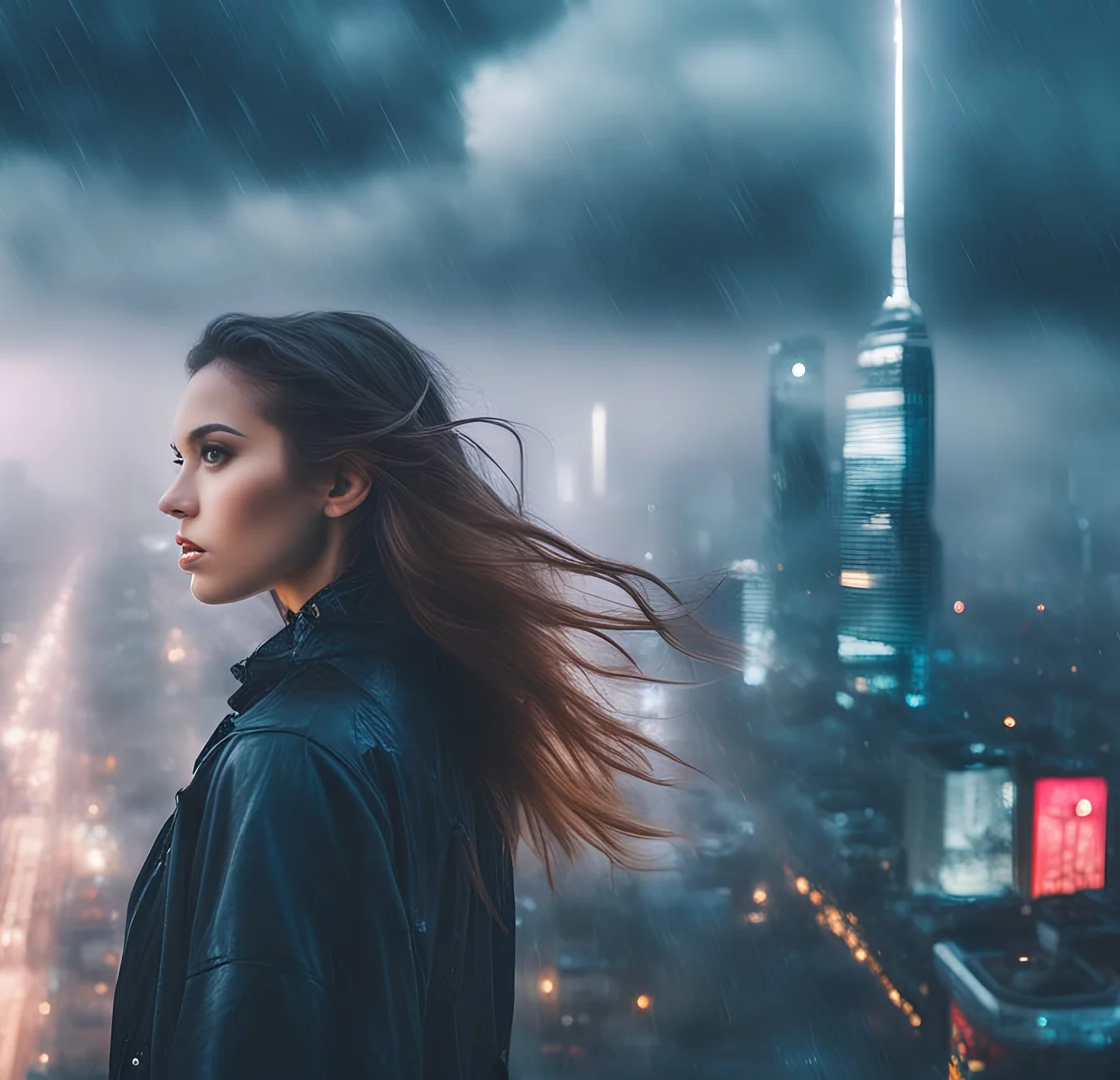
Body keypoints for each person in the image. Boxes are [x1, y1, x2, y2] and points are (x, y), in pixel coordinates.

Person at [108, 312, 724, 1079]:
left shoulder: (292, 755)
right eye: (180, 458)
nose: (174, 497)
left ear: (340, 481)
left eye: (216, 455)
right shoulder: (434, 697)